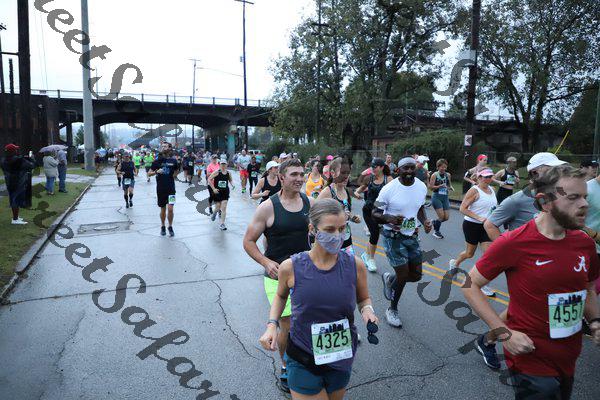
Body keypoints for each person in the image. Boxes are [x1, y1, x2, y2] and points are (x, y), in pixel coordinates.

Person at [462, 164, 600, 399]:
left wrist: (595, 320)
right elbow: (469, 284)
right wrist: (504, 333)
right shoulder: (514, 242)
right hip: (529, 355)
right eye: (574, 198)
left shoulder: (584, 243)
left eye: (585, 197)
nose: (585, 204)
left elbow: (587, 289)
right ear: (545, 202)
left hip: (568, 355)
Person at [258, 198, 378, 400]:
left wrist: (368, 311)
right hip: (303, 356)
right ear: (312, 229)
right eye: (330, 229)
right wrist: (272, 324)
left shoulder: (355, 265)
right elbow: (280, 295)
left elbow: (364, 298)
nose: (338, 235)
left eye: (342, 229)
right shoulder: (291, 267)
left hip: (341, 356)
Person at [243, 158, 314, 393]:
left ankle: (308, 359)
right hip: (277, 277)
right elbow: (248, 241)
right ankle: (286, 366)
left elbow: (325, 230)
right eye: (294, 174)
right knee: (288, 324)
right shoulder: (268, 207)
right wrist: (265, 262)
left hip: (305, 274)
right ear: (282, 178)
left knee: (308, 321)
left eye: (302, 174)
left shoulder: (309, 203)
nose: (299, 178)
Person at [373, 157, 432, 327]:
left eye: (412, 168)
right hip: (393, 237)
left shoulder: (421, 186)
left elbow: (419, 207)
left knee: (416, 275)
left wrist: (425, 221)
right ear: (397, 170)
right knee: (403, 275)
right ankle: (392, 309)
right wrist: (389, 218)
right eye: (406, 168)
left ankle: (390, 279)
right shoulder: (388, 189)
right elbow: (374, 212)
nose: (409, 171)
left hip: (411, 235)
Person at [484, 152, 567, 241]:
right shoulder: (516, 201)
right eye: (552, 170)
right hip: (503, 193)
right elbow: (490, 225)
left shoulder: (560, 197)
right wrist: (507, 247)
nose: (558, 174)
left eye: (558, 169)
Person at [450, 168, 497, 297]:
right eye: (486, 177)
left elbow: (493, 208)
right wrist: (479, 218)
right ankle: (455, 263)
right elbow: (462, 208)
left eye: (490, 176)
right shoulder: (474, 190)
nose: (488, 179)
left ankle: (483, 284)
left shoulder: (493, 189)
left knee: (488, 255)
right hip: (472, 225)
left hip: (486, 227)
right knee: (469, 253)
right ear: (479, 177)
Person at [317, 158, 361, 255]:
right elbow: (314, 217)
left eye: (348, 173)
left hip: (346, 241)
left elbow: (346, 213)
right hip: (330, 243)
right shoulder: (327, 192)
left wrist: (353, 218)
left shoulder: (346, 191)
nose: (346, 176)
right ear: (333, 173)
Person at [354, 157, 391, 272]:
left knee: (374, 234)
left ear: (382, 167)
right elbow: (360, 189)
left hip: (380, 211)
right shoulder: (369, 178)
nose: (373, 168)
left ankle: (366, 254)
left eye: (375, 166)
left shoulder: (388, 179)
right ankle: (371, 259)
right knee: (375, 233)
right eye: (372, 166)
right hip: (368, 210)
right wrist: (357, 193)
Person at [148, 142, 179, 237]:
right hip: (161, 189)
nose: (163, 148)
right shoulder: (157, 161)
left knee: (170, 209)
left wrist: (173, 176)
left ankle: (170, 226)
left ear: (169, 148)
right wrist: (156, 172)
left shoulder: (173, 161)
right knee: (163, 209)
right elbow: (149, 173)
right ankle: (162, 226)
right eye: (162, 146)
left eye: (165, 146)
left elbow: (177, 170)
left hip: (171, 188)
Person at [1, 144, 35, 224]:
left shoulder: (3, 160)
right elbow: (31, 166)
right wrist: (32, 158)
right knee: (16, 200)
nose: (17, 151)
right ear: (13, 151)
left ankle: (16, 217)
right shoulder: (19, 160)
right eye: (15, 150)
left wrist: (22, 158)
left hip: (9, 182)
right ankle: (15, 219)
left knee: (13, 199)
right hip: (19, 182)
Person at [429, 159, 454, 239]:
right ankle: (436, 231)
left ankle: (435, 222)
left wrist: (450, 188)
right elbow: (431, 187)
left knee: (446, 217)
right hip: (436, 197)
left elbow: (449, 185)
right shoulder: (434, 175)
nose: (443, 168)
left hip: (445, 197)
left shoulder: (448, 175)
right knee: (441, 217)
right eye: (442, 167)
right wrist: (439, 186)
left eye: (445, 167)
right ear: (438, 167)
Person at [209, 160, 233, 230]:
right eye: (222, 164)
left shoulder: (228, 173)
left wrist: (233, 185)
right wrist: (213, 189)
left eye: (224, 164)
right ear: (220, 165)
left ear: (226, 165)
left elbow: (230, 180)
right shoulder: (216, 172)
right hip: (218, 192)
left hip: (225, 192)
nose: (223, 165)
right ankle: (214, 213)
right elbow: (209, 179)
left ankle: (222, 224)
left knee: (224, 207)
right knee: (217, 207)